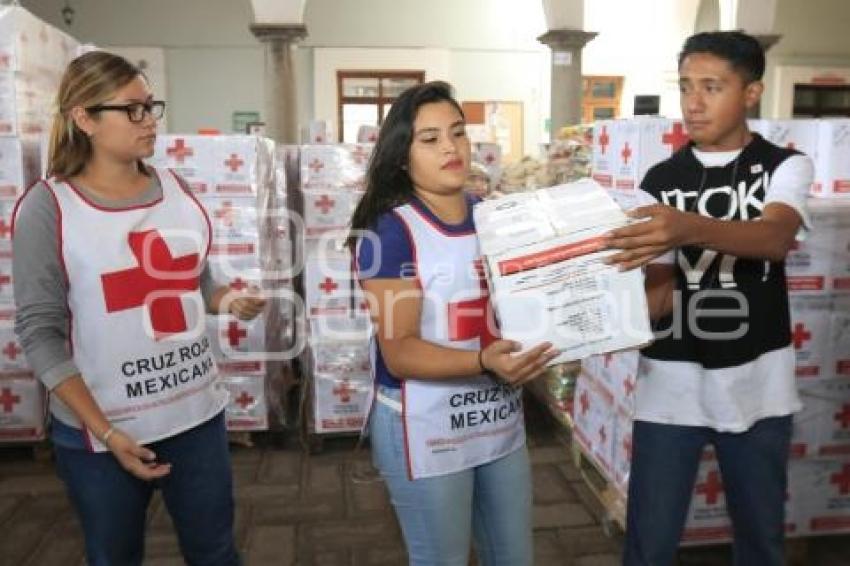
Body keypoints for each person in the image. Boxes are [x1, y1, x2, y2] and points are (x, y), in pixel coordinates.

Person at [12, 51, 265, 565]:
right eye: (132, 110)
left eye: (152, 107)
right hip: (103, 429)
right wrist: (105, 433)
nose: (149, 121)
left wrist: (229, 300)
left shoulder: (174, 188)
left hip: (195, 415)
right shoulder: (48, 208)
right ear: (83, 118)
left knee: (216, 552)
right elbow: (40, 334)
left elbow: (193, 281)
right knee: (115, 556)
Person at [605, 31, 814, 566]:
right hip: (670, 385)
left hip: (759, 385)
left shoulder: (784, 166)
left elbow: (773, 239)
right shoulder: (660, 179)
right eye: (685, 87)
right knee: (648, 543)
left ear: (750, 93)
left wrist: (686, 228)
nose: (693, 103)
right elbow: (658, 294)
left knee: (761, 541)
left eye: (712, 87)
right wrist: (592, 315)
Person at [349, 81, 558, 566]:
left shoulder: (495, 219)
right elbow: (399, 351)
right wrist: (484, 360)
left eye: (458, 133)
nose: (450, 147)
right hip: (425, 423)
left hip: (496, 415)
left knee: (513, 556)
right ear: (402, 156)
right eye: (430, 138)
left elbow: (521, 307)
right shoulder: (391, 231)